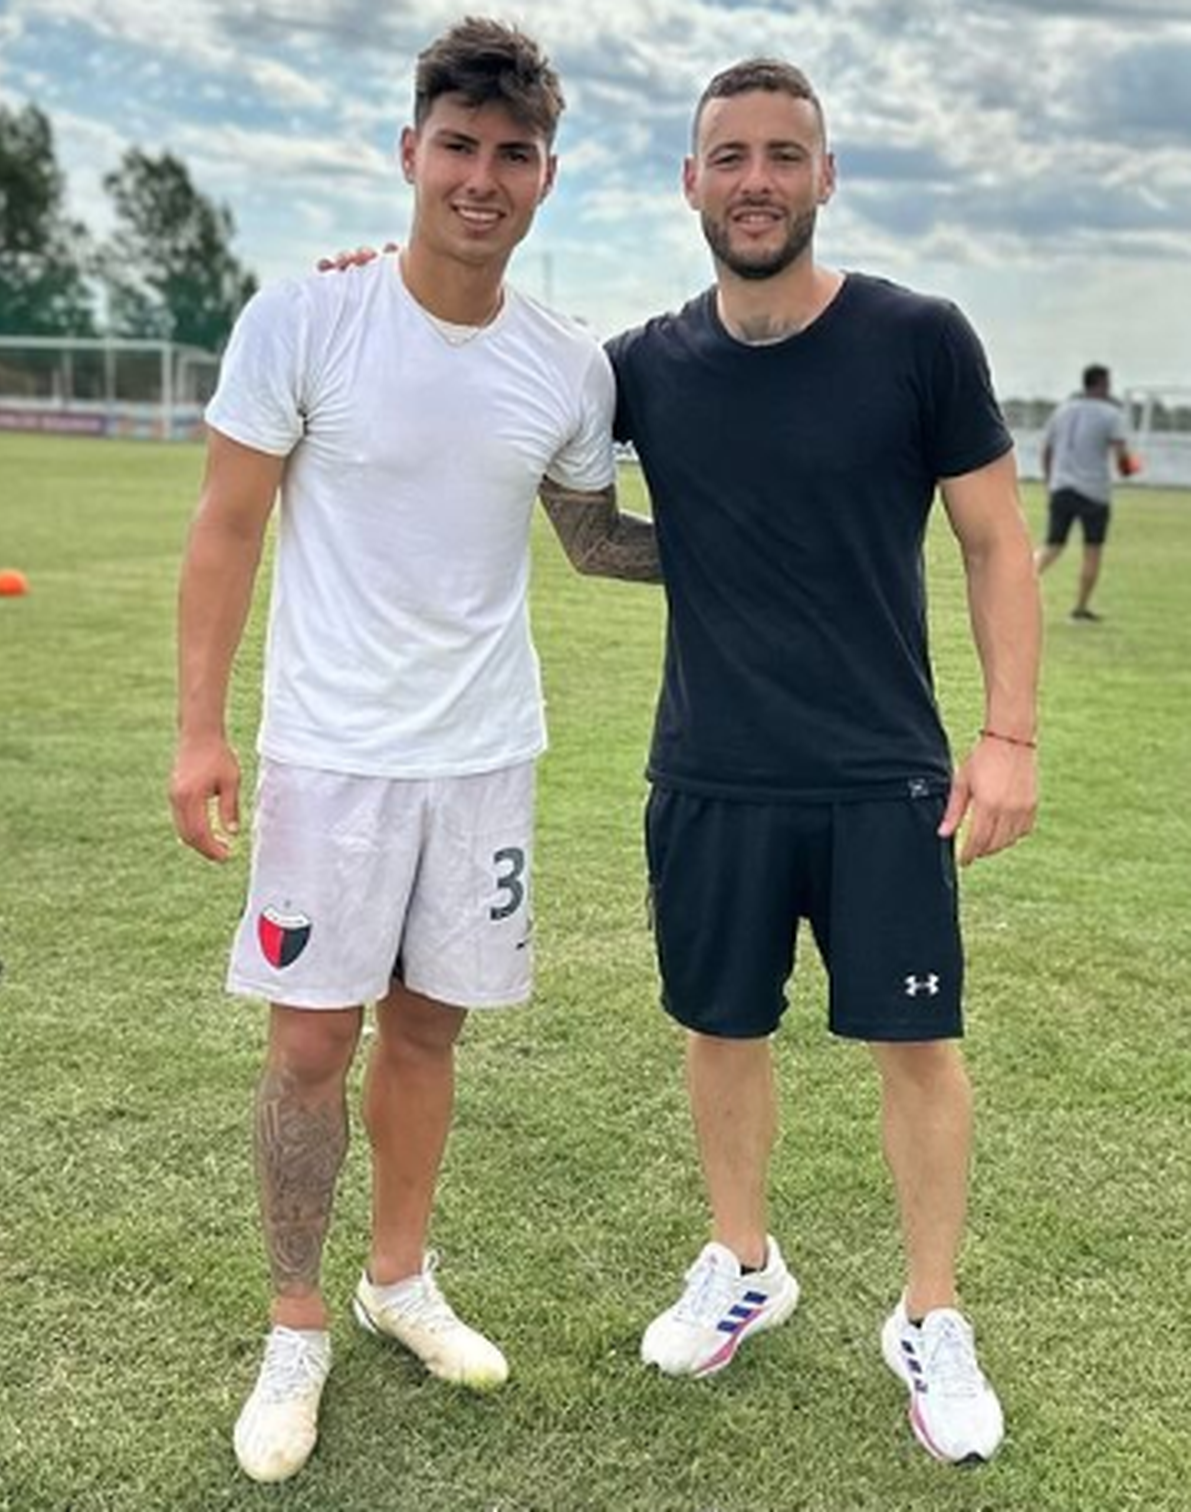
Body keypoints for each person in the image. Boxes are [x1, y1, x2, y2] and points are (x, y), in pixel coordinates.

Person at [168, 18, 657, 1486]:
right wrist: (199, 727)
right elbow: (227, 528)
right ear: (410, 152)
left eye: (513, 156)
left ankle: (397, 1279)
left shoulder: (568, 367)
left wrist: (772, 540)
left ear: (547, 176)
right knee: (313, 1040)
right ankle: (298, 1323)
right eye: (458, 147)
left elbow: (591, 542)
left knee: (432, 1028)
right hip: (330, 758)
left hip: (483, 757)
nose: (482, 178)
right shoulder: (303, 321)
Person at [606, 60, 1040, 1466]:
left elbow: (993, 542)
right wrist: (381, 284)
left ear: (826, 176)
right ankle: (745, 1262)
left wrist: (1009, 735)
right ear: (690, 182)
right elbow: (493, 387)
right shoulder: (645, 365)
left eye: (784, 154)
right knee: (720, 1029)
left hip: (882, 777)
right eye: (728, 155)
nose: (756, 180)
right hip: (712, 773)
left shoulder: (920, 339)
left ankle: (930, 1314)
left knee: (918, 1044)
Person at [1035, 363, 1133, 621]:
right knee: (1092, 550)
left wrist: (1050, 481)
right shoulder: (1112, 414)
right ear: (1101, 383)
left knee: (1052, 546)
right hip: (1094, 492)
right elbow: (1122, 459)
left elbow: (1046, 450)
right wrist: (1129, 467)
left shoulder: (1063, 410)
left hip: (1061, 487)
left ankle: (1013, 590)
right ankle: (1080, 608)